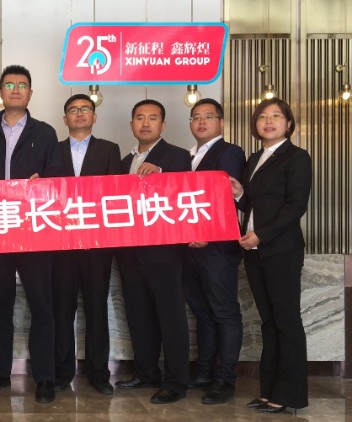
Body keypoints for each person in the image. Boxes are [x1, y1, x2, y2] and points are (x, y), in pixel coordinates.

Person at [0, 64, 65, 404]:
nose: (15, 90)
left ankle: (44, 377)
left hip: (35, 231)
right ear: (0, 92)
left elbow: (57, 179)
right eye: (9, 85)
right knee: (0, 304)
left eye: (21, 85)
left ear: (30, 93)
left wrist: (45, 183)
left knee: (42, 305)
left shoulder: (45, 132)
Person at [230, 98, 311, 413]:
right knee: (269, 322)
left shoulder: (297, 157)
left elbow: (296, 206)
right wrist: (240, 193)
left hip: (281, 249)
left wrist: (262, 234)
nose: (269, 121)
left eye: (276, 116)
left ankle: (290, 395)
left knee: (286, 321)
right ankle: (270, 391)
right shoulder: (255, 158)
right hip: (254, 250)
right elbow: (253, 204)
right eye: (263, 116)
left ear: (288, 124)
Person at [114, 99, 191, 404]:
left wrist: (162, 172)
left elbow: (187, 191)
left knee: (170, 317)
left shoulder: (177, 156)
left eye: (152, 118)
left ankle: (176, 381)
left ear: (163, 124)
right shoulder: (124, 161)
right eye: (140, 118)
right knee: (139, 314)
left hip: (163, 252)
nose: (145, 123)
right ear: (131, 124)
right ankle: (146, 373)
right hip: (129, 252)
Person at [52, 94, 121, 395]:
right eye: (73, 110)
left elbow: (116, 193)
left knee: (96, 309)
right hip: (61, 244)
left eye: (85, 109)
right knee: (62, 309)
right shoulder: (53, 151)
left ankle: (98, 373)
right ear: (65, 118)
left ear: (94, 116)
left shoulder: (109, 149)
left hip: (97, 245)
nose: (79, 114)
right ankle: (62, 371)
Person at [182, 98, 245, 405]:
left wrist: (208, 233)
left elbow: (223, 194)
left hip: (217, 247)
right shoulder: (187, 156)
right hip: (190, 249)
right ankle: (205, 372)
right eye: (196, 117)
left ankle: (225, 379)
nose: (202, 122)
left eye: (208, 116)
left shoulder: (229, 152)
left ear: (221, 122)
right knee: (203, 313)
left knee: (224, 313)